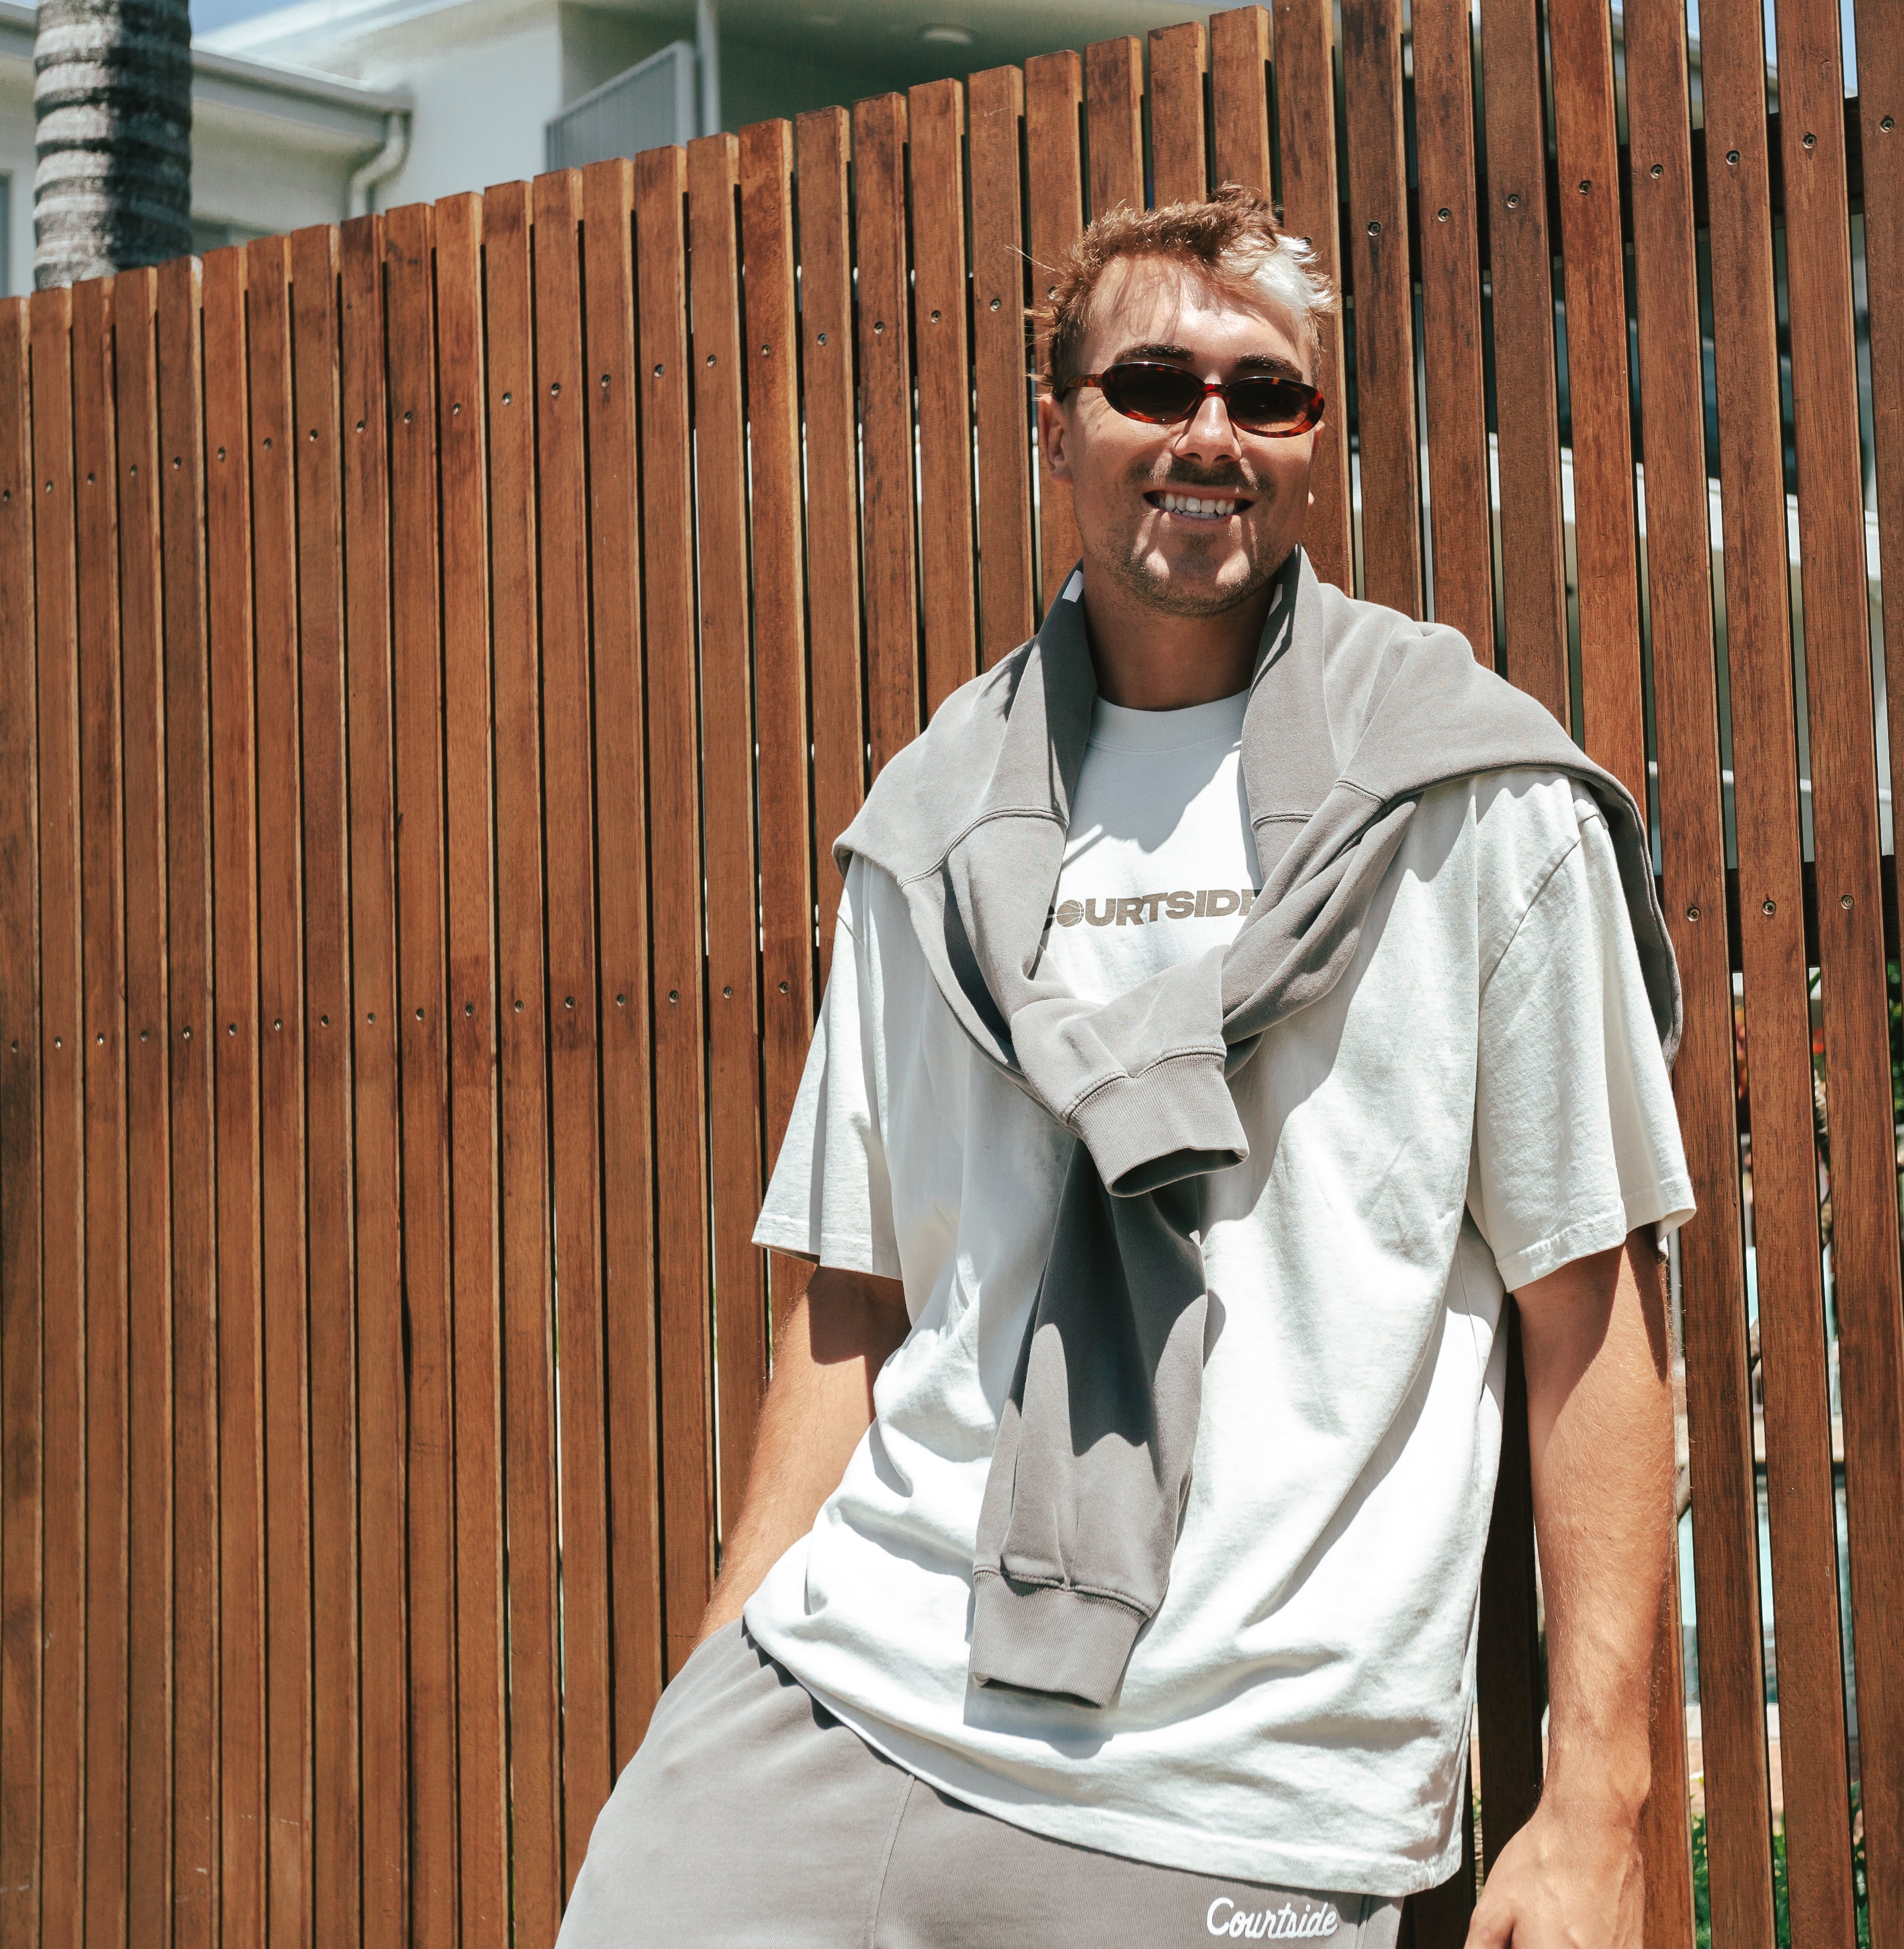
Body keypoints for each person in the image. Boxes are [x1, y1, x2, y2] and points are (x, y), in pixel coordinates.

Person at [554, 186, 1694, 1949]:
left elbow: (1589, 1315)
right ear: (1056, 429)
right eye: (1152, 385)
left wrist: (1595, 1799)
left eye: (1266, 395)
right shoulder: (925, 830)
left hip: (1235, 1785)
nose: (1208, 435)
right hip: (828, 1723)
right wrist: (711, 1685)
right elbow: (849, 1306)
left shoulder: (1478, 804)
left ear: (1319, 443)